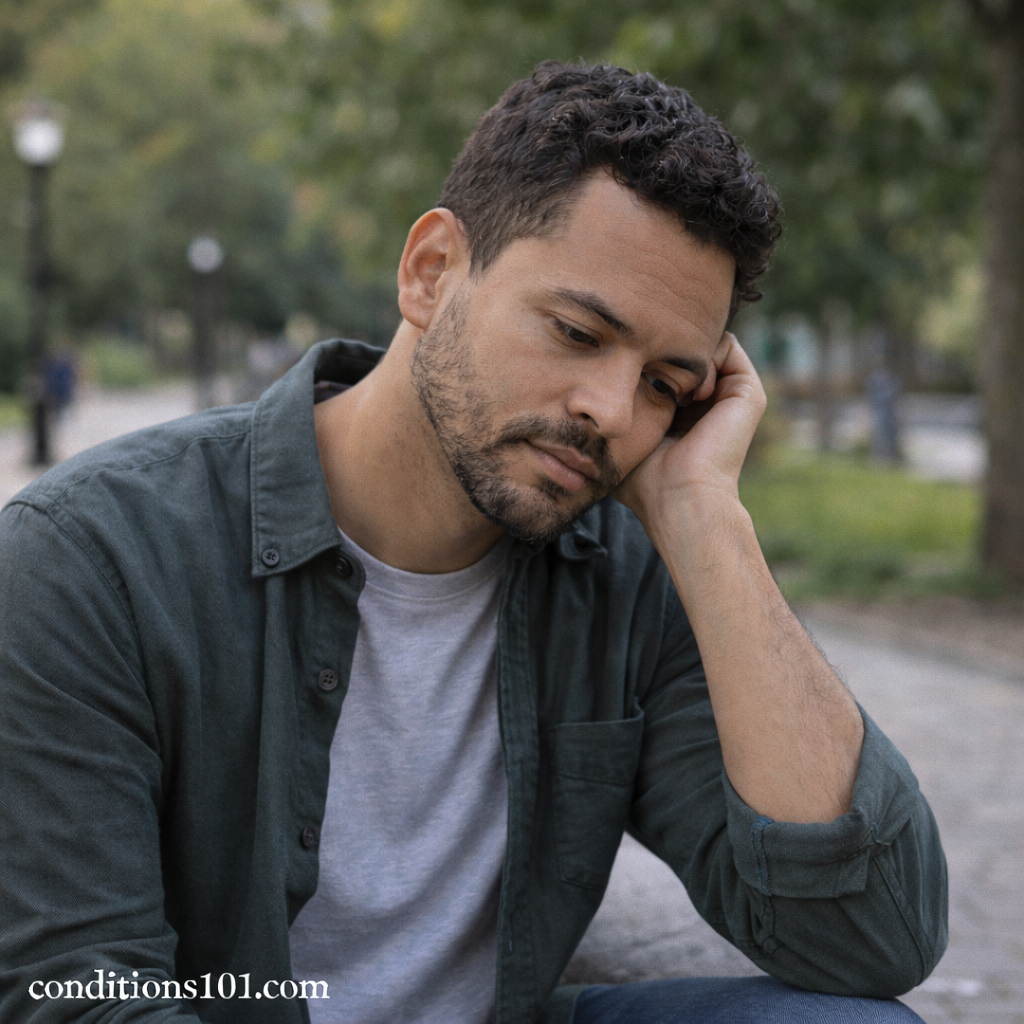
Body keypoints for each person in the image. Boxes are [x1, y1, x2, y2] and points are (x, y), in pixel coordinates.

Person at [0, 62, 946, 1024]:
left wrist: (709, 522)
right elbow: (78, 996)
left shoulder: (625, 577)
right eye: (578, 331)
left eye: (666, 383)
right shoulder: (92, 560)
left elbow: (874, 940)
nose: (612, 412)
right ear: (431, 272)